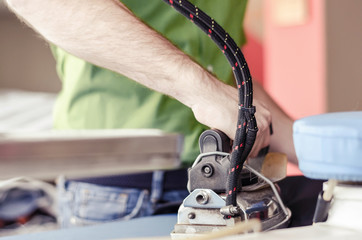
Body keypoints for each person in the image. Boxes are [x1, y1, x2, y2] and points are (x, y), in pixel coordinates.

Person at [5, 0, 322, 228]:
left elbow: (225, 81)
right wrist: (199, 88)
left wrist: (323, 153)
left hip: (229, 184)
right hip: (118, 189)